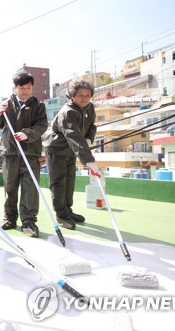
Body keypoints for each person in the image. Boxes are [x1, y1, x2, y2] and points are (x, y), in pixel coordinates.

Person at [0, 70, 48, 238]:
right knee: (10, 187)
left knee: (30, 189)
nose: (25, 91)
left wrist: (27, 134)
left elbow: (42, 125)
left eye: (29, 87)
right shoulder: (6, 104)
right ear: (15, 88)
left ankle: (29, 222)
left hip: (30, 153)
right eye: (21, 87)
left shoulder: (39, 106)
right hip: (10, 153)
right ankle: (9, 217)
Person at [42, 80, 99, 230]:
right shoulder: (68, 112)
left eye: (88, 95)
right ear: (72, 95)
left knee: (70, 181)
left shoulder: (89, 108)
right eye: (80, 95)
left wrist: (88, 138)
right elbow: (73, 135)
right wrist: (89, 161)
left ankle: (68, 210)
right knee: (59, 183)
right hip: (56, 149)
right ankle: (61, 215)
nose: (84, 98)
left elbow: (92, 125)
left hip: (72, 150)